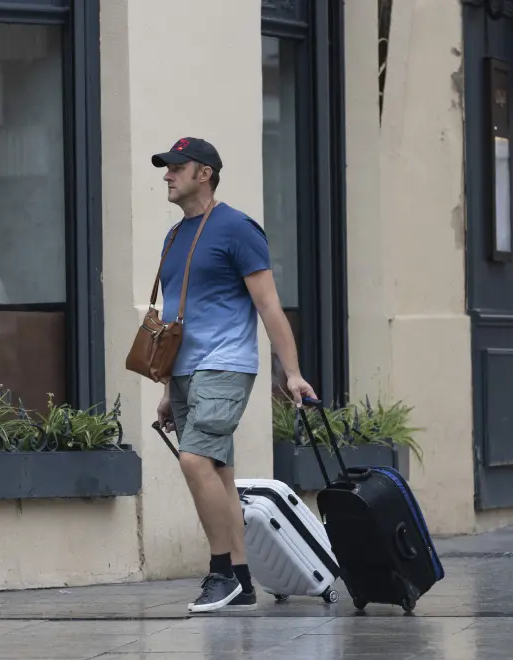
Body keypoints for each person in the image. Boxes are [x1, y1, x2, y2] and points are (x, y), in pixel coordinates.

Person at [151, 138, 317, 613]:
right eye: (166, 168)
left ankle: (220, 571)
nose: (167, 175)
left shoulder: (237, 229)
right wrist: (168, 387)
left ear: (204, 173)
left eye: (176, 168)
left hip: (225, 365)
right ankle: (242, 583)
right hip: (185, 371)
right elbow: (175, 315)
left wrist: (293, 373)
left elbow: (268, 305)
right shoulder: (174, 236)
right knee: (219, 473)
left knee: (194, 461)